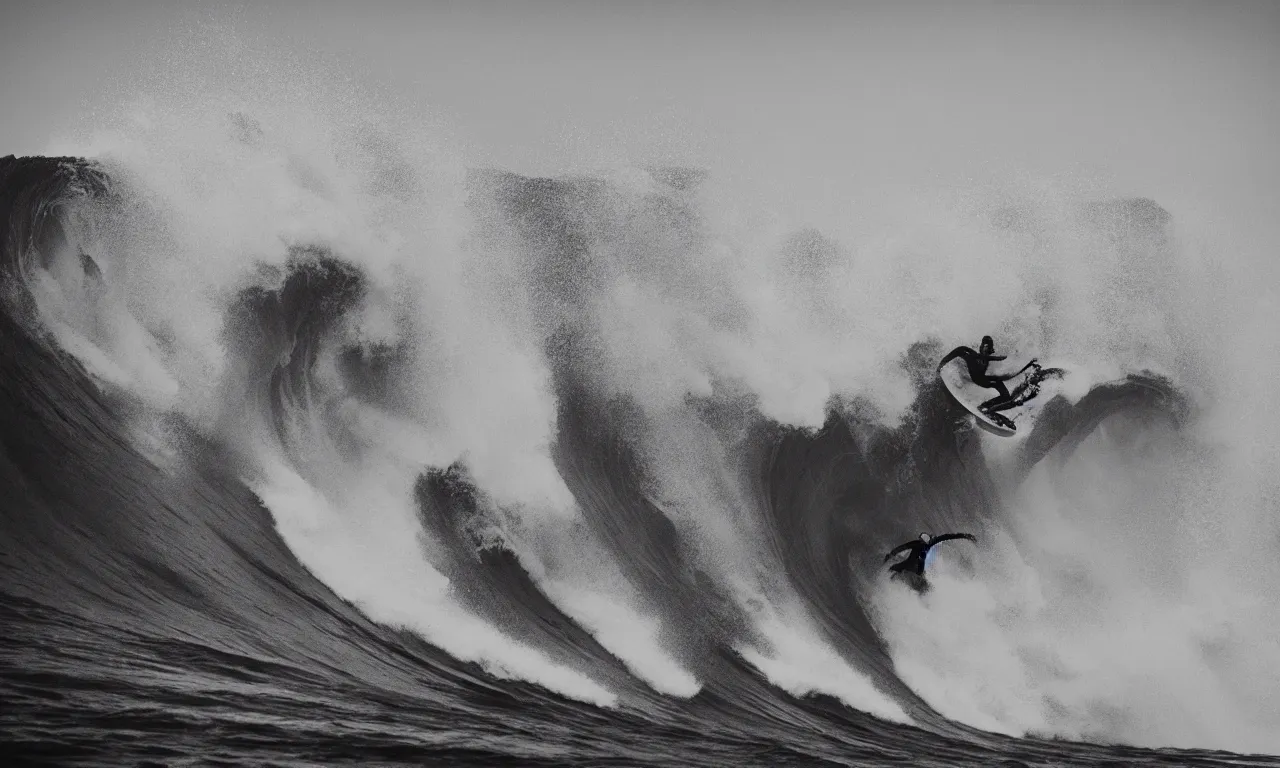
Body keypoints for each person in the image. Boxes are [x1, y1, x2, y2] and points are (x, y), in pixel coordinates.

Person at [937, 336, 1039, 414]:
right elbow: (958, 351)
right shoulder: (970, 354)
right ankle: (984, 407)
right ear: (981, 347)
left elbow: (1006, 375)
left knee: (1006, 395)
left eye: (988, 348)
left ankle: (986, 407)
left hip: (983, 379)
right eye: (984, 346)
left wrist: (1027, 366)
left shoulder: (983, 357)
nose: (986, 349)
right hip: (979, 379)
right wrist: (941, 365)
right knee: (963, 351)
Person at [883, 532, 977, 591]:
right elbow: (950, 536)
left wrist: (891, 554)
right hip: (919, 571)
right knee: (924, 586)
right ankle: (928, 598)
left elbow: (901, 548)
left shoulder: (916, 543)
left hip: (909, 566)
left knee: (893, 569)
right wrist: (966, 536)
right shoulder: (932, 545)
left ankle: (886, 586)